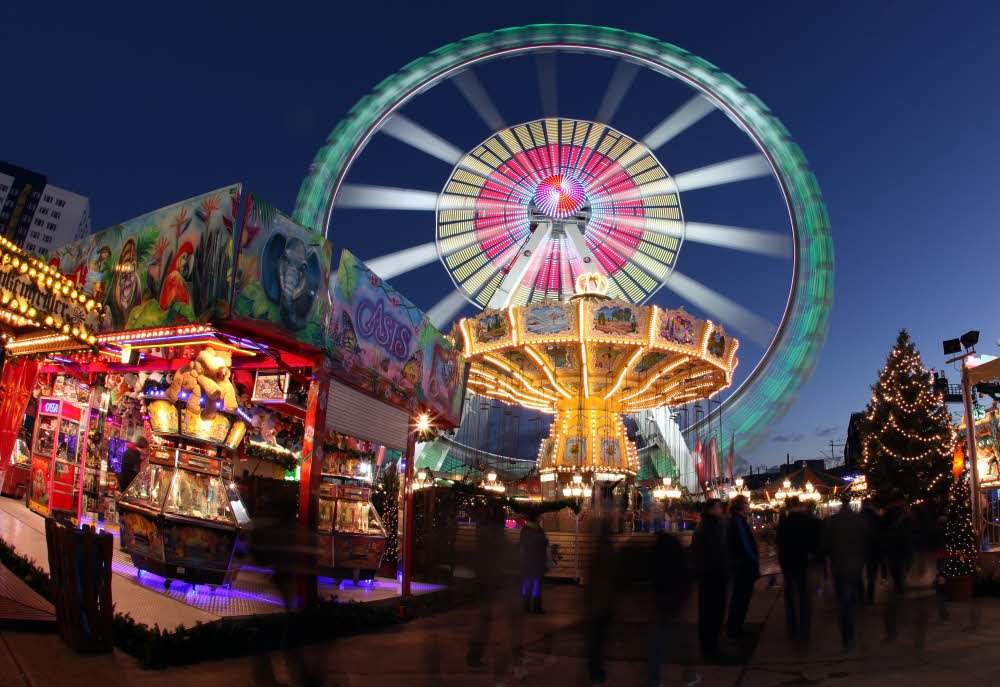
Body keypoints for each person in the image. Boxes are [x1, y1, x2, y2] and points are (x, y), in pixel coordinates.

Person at [649, 530, 700, 687]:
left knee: (658, 641)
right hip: (676, 602)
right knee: (683, 640)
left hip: (661, 601)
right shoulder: (679, 559)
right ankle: (689, 675)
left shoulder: (656, 558)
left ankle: (655, 679)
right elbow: (687, 579)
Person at [822, 496, 869, 650]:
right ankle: (854, 627)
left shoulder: (832, 522)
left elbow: (825, 545)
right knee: (853, 595)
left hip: (839, 566)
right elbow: (868, 540)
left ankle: (847, 634)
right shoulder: (859, 520)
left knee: (844, 600)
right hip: (856, 564)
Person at [776, 496, 820, 647]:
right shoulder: (811, 522)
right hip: (805, 563)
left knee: (790, 598)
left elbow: (779, 545)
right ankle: (804, 633)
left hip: (789, 564)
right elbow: (817, 544)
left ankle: (792, 629)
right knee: (804, 599)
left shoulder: (784, 523)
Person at [690, 498, 728, 660]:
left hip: (710, 575)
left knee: (710, 612)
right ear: (711, 509)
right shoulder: (710, 527)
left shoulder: (707, 525)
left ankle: (710, 645)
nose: (722, 510)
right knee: (712, 612)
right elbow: (715, 553)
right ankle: (710, 648)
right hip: (712, 576)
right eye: (719, 507)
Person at [726, 494, 760, 639]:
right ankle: (735, 629)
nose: (749, 506)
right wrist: (755, 560)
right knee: (741, 598)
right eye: (746, 503)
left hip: (741, 565)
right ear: (740, 506)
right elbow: (745, 545)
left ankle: (736, 627)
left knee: (740, 597)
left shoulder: (737, 520)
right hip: (743, 566)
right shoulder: (738, 521)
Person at [882, 491, 914, 639]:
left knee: (897, 580)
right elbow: (909, 536)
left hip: (893, 554)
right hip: (902, 553)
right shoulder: (904, 517)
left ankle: (898, 609)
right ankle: (901, 609)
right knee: (900, 582)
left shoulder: (887, 515)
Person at [519, 510, 548, 612]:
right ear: (536, 518)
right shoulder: (538, 530)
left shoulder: (525, 530)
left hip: (527, 561)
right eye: (539, 517)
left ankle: (526, 605)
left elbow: (522, 545)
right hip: (536, 561)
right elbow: (542, 545)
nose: (541, 518)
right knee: (536, 584)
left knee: (527, 583)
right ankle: (536, 606)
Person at [860, 499, 884, 604]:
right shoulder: (877, 517)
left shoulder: (858, 517)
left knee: (859, 572)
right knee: (871, 575)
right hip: (874, 549)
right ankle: (870, 595)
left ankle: (861, 594)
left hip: (861, 549)